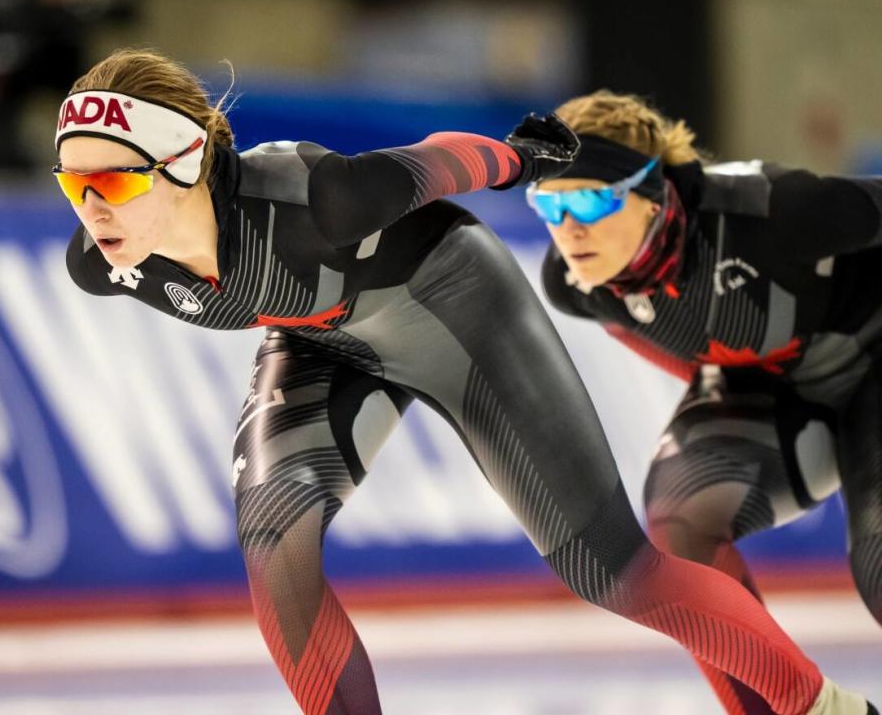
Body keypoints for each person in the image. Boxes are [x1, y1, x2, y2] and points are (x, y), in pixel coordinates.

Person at [56, 50, 873, 715]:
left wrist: (525, 156)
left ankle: (828, 709)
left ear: (187, 162)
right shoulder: (101, 264)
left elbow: (438, 163)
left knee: (612, 570)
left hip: (454, 305)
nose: (91, 208)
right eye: (72, 183)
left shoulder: (319, 204)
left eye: (115, 182)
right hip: (322, 339)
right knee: (274, 531)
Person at [527, 89, 882, 715]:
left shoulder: (774, 214)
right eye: (549, 206)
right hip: (773, 387)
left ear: (653, 190)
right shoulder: (576, 283)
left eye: (589, 197)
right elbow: (693, 351)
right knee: (679, 521)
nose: (570, 229)